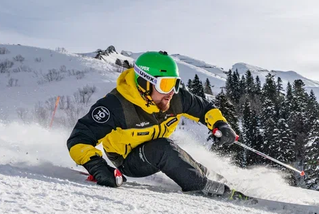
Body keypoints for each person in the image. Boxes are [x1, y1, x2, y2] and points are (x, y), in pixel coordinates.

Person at [67, 51, 246, 198]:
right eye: (165, 84)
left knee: (178, 156)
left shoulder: (175, 98)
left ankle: (222, 182)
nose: (171, 92)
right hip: (127, 160)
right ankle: (202, 186)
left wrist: (220, 125)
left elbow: (205, 109)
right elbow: (79, 138)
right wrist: (97, 166)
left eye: (174, 84)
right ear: (144, 83)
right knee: (163, 149)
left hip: (157, 148)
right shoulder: (116, 106)